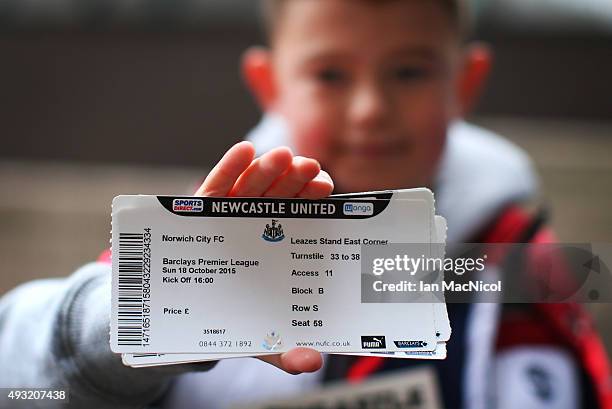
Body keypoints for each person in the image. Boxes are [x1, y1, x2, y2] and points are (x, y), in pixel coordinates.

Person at [0, 0, 610, 408]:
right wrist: (143, 316)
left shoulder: (527, 265)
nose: (370, 109)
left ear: (466, 82)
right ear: (270, 85)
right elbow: (16, 383)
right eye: (330, 75)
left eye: (408, 72)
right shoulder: (203, 249)